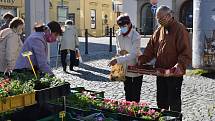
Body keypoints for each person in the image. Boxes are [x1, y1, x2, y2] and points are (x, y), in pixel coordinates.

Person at [138, 6, 192, 113]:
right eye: (157, 19)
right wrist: (142, 59)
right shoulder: (159, 30)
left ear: (169, 16)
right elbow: (150, 48)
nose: (159, 21)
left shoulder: (179, 29)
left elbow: (185, 52)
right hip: (161, 72)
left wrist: (180, 65)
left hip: (174, 74)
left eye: (161, 19)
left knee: (174, 102)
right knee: (161, 102)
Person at [108, 14, 143, 103]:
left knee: (135, 93)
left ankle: (135, 111)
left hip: (135, 66)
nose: (122, 28)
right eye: (120, 26)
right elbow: (118, 47)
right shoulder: (118, 33)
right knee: (127, 91)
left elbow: (133, 54)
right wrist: (119, 52)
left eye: (124, 26)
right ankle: (128, 111)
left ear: (129, 24)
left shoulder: (136, 36)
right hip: (125, 67)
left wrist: (117, 60)